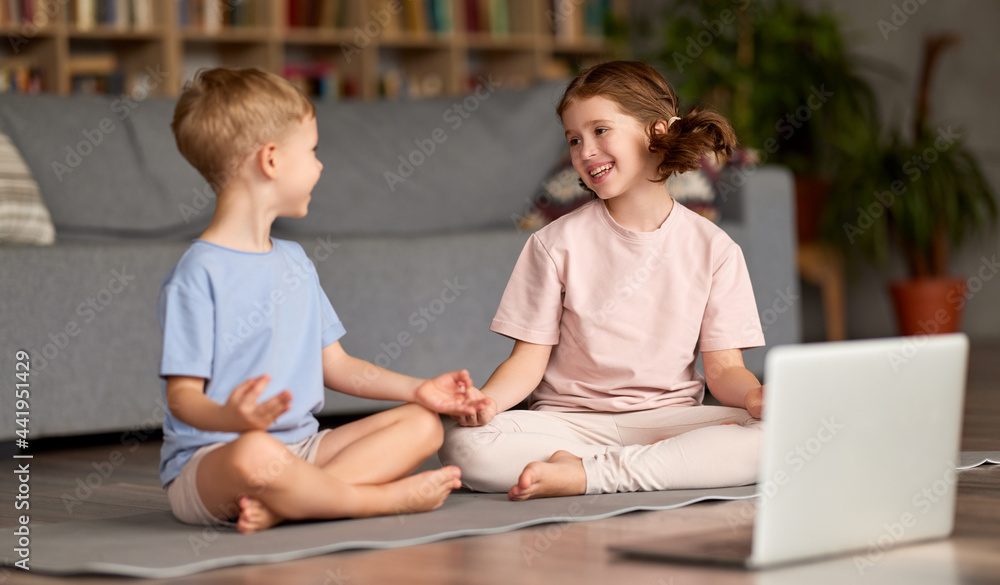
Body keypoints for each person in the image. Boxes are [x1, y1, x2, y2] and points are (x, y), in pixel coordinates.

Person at [159, 67, 486, 534]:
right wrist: (231, 417)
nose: (320, 165)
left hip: (303, 451)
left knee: (424, 424)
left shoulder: (294, 261)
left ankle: (290, 503)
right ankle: (372, 501)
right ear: (270, 160)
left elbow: (338, 365)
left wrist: (419, 389)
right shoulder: (198, 273)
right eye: (311, 151)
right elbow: (182, 398)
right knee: (256, 452)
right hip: (215, 463)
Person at [439, 61, 766, 500]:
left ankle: (585, 476)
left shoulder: (716, 249)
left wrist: (756, 398)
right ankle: (620, 471)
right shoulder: (552, 244)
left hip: (664, 423)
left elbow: (725, 371)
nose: (585, 151)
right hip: (566, 424)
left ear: (657, 131)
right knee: (460, 443)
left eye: (600, 131)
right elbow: (526, 364)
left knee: (772, 434)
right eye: (574, 139)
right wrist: (487, 404)